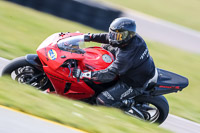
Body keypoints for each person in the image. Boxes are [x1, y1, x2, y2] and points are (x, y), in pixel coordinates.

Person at [73, 17, 156, 108]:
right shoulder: (129, 39)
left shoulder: (126, 56)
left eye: (118, 36)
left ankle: (127, 104)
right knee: (104, 47)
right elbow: (106, 37)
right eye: (113, 34)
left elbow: (109, 75)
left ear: (128, 35)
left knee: (102, 100)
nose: (113, 37)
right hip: (136, 67)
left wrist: (84, 74)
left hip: (133, 83)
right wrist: (87, 37)